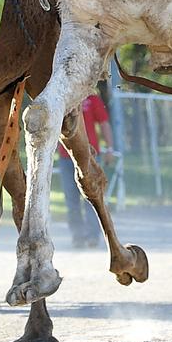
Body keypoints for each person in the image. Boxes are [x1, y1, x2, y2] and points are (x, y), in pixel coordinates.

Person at [56, 93, 117, 248]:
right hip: (66, 157)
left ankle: (93, 236)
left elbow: (104, 123)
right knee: (71, 199)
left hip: (89, 155)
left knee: (92, 196)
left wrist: (109, 148)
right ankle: (77, 236)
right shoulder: (63, 97)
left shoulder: (91, 98)